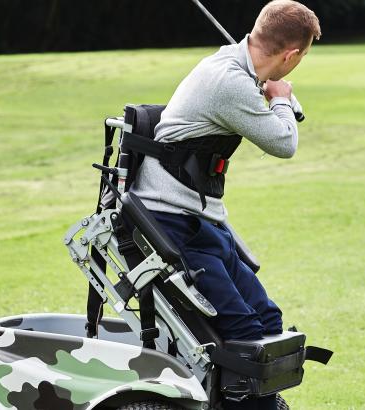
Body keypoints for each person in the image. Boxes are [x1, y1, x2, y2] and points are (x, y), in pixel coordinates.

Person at [131, 0, 319, 347]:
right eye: (302, 58)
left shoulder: (235, 70)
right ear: (291, 55)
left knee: (269, 321)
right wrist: (280, 98)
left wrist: (268, 89)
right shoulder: (228, 81)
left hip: (206, 223)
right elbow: (283, 143)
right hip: (173, 223)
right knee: (244, 333)